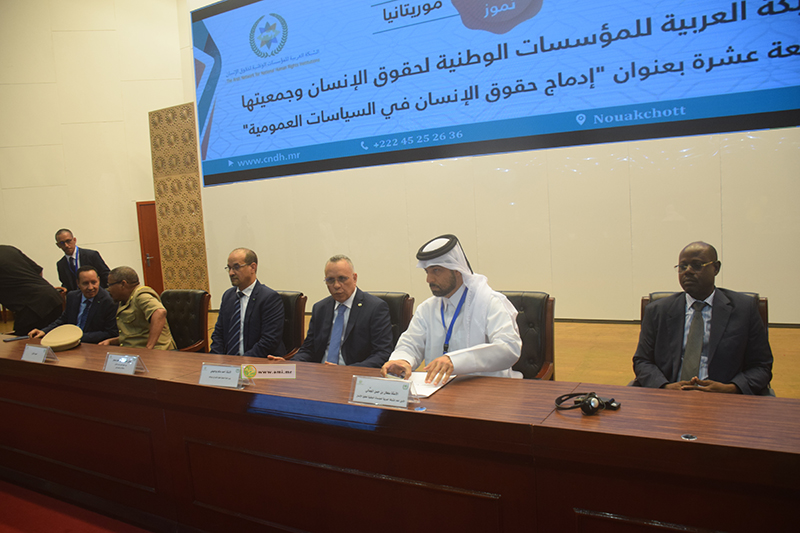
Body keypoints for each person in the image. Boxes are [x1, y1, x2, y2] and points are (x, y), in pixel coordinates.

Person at [632, 241, 773, 395]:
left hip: (724, 399)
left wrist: (731, 388)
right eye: (682, 266)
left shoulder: (744, 309)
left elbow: (761, 366)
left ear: (716, 268)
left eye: (697, 265)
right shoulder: (657, 311)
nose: (688, 271)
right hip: (670, 397)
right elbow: (642, 361)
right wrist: (664, 387)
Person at [381, 234, 522, 384]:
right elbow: (411, 343)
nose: (429, 279)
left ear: (457, 270)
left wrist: (455, 360)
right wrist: (402, 360)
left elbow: (509, 348)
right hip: (440, 389)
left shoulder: (490, 302)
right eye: (427, 272)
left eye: (436, 270)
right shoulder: (427, 308)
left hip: (490, 389)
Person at [272, 255, 392, 367]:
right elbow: (309, 349)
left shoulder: (375, 308)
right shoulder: (320, 308)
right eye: (330, 280)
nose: (336, 285)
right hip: (321, 374)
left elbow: (382, 353)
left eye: (342, 279)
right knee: (271, 377)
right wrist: (290, 365)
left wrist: (347, 371)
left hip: (352, 375)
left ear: (354, 278)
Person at [210, 248, 286, 357]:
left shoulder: (269, 298)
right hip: (228, 363)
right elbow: (218, 334)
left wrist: (243, 361)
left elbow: (269, 340)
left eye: (236, 267)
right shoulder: (228, 296)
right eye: (229, 268)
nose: (231, 273)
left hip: (257, 361)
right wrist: (216, 358)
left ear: (252, 267)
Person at [28, 266, 117, 344]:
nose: (90, 287)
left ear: (99, 280)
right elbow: (63, 320)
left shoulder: (109, 301)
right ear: (78, 283)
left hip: (92, 345)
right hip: (69, 343)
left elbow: (110, 332)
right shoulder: (72, 296)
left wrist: (76, 337)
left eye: (94, 282)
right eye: (85, 283)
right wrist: (44, 331)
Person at [99, 266, 175, 350]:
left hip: (157, 352)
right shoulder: (124, 300)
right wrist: (111, 341)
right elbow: (136, 335)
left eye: (110, 285)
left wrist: (149, 348)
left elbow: (160, 312)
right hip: (133, 352)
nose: (108, 289)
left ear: (123, 284)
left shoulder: (141, 295)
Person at [0, 245, 63, 336]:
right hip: (52, 297)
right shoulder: (9, 249)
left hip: (31, 307)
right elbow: (38, 270)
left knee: (21, 341)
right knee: (51, 339)